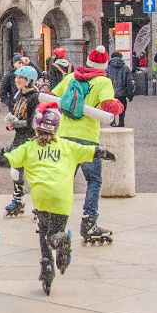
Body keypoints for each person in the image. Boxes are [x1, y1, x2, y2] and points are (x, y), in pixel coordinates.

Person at [0, 102, 115, 295]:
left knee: (44, 232)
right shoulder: (67, 145)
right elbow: (92, 151)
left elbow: (5, 161)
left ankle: (47, 265)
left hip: (42, 196)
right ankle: (59, 239)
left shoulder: (29, 147)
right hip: (62, 197)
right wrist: (106, 154)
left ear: (35, 126)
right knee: (56, 230)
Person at [49, 45, 123, 244]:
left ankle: (54, 222)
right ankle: (89, 222)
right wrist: (120, 105)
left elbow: (52, 97)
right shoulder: (103, 81)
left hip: (64, 137)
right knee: (93, 180)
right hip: (87, 139)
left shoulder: (71, 78)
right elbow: (109, 106)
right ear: (104, 65)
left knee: (64, 180)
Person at [2, 65, 40, 218]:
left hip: (31, 138)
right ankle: (18, 200)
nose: (17, 80)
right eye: (17, 77)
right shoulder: (19, 95)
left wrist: (16, 124)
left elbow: (33, 122)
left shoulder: (35, 97)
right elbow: (15, 114)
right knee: (16, 171)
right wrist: (10, 123)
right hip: (19, 138)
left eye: (21, 78)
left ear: (30, 80)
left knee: (34, 173)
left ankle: (40, 205)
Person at [106, 51, 135, 128]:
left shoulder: (107, 69)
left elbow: (104, 81)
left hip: (111, 93)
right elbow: (129, 82)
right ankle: (121, 122)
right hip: (122, 93)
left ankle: (112, 121)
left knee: (111, 107)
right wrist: (130, 95)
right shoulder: (126, 68)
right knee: (122, 107)